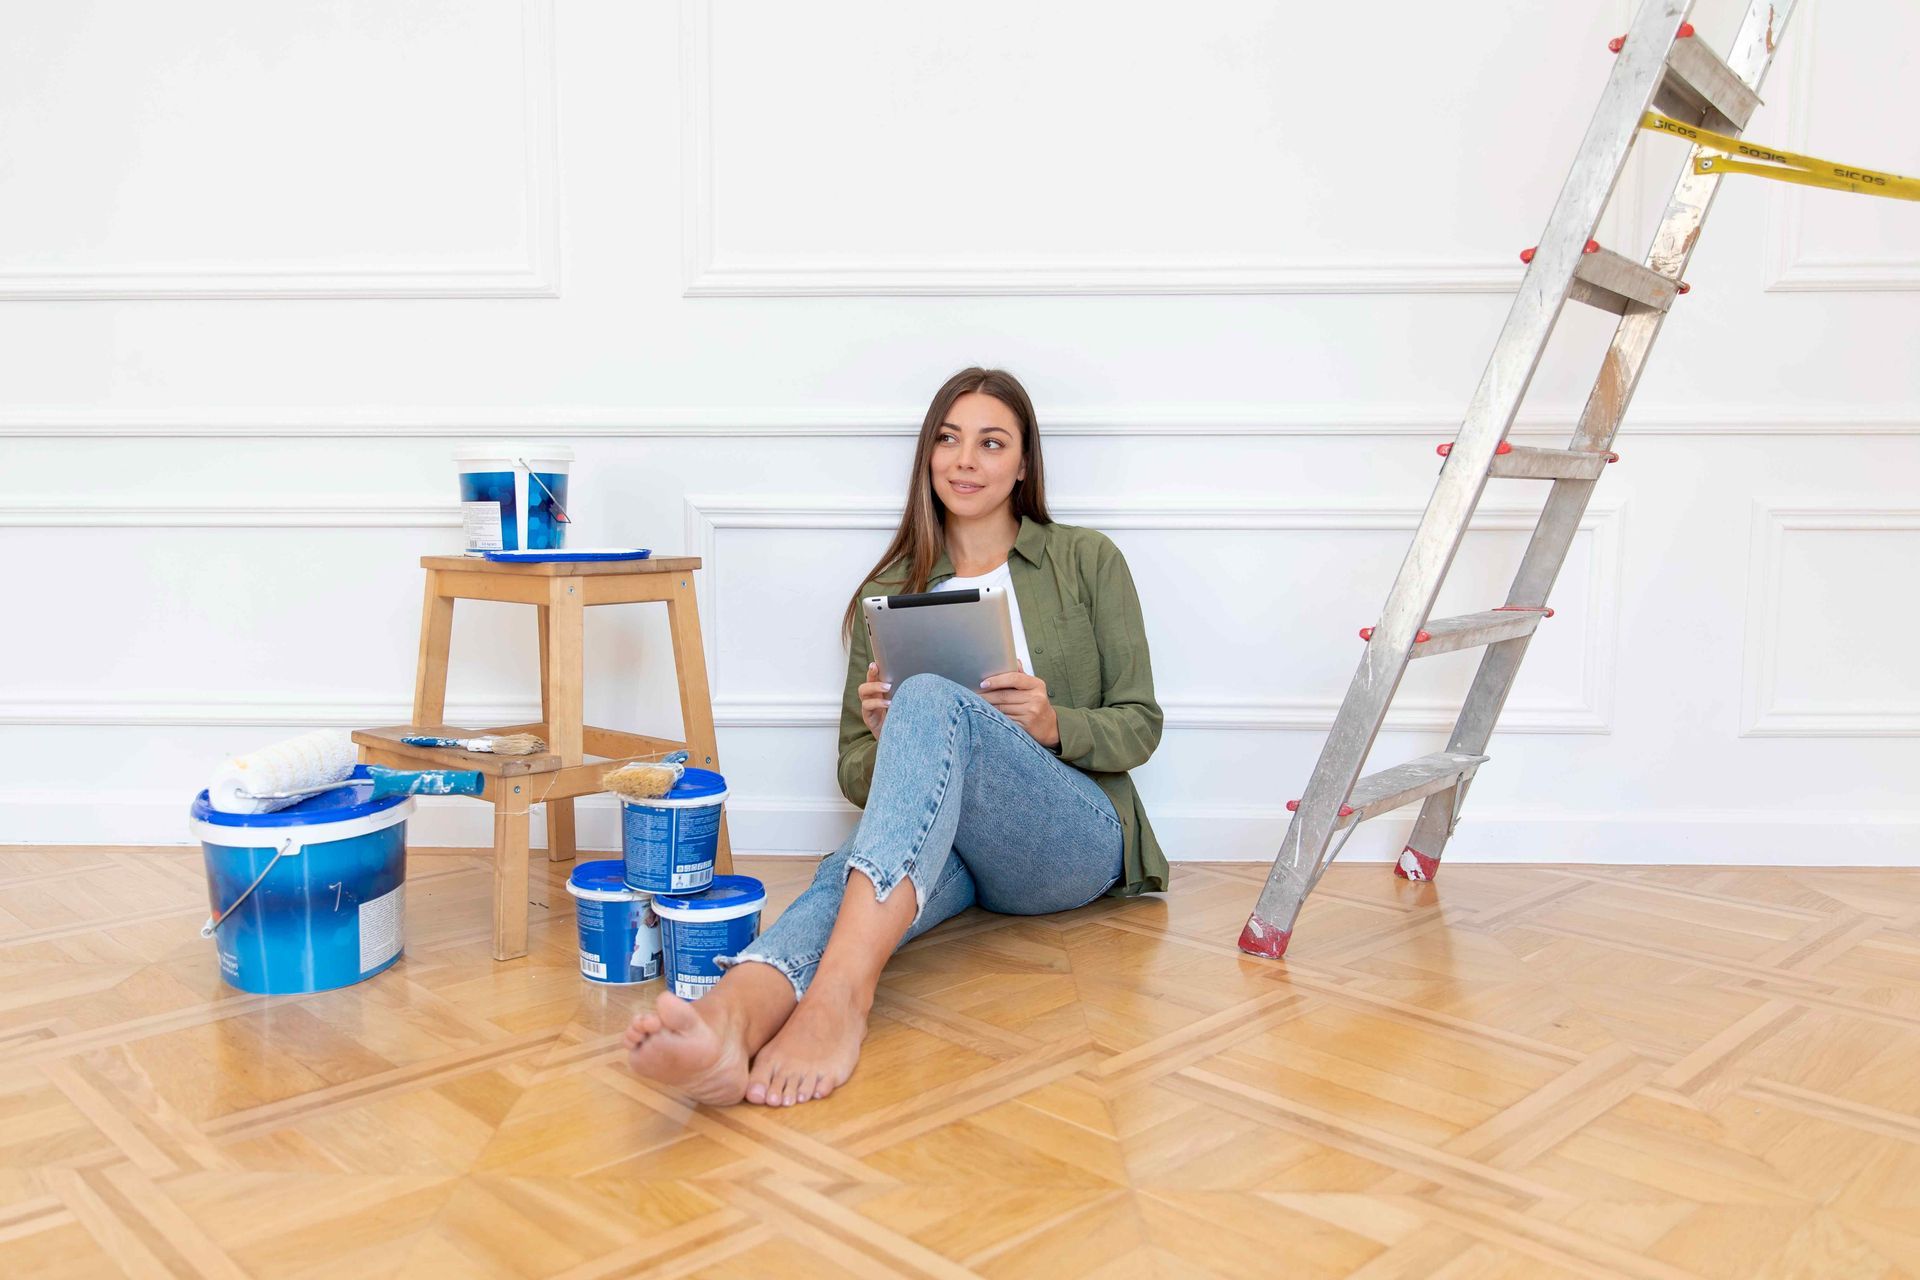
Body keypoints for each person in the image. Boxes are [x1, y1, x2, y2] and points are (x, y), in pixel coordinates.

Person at [624, 366, 1165, 1106]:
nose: (965, 461)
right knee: (851, 867)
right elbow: (855, 772)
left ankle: (841, 999)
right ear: (927, 455)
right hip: (965, 862)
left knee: (932, 701)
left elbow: (1141, 724)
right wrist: (890, 736)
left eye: (991, 443)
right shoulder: (893, 591)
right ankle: (730, 1017)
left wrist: (1052, 723)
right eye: (948, 440)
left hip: (1074, 842)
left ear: (1024, 463)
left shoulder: (1086, 560)